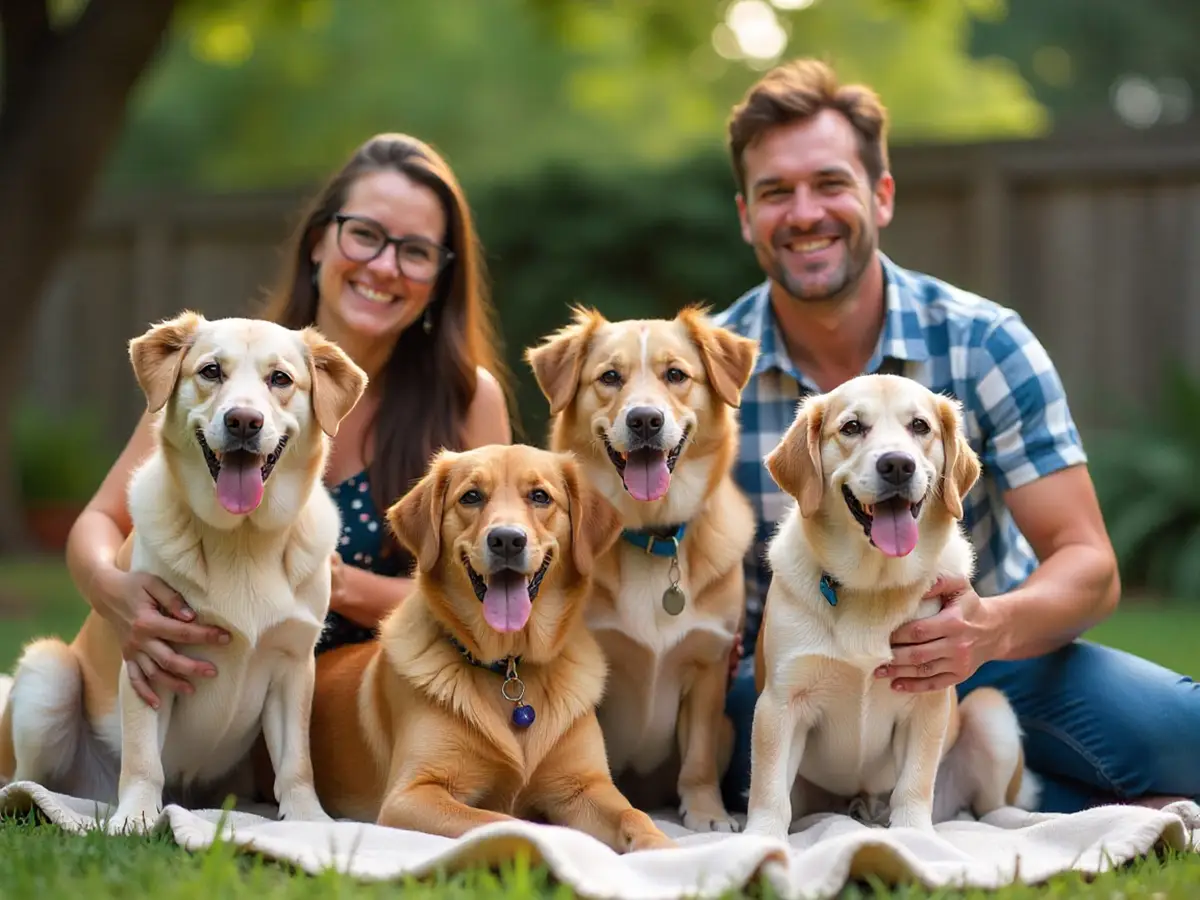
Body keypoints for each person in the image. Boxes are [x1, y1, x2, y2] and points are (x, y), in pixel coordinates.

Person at [711, 58, 1200, 815]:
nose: (805, 213)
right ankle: (1066, 802)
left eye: (831, 183)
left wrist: (991, 627)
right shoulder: (706, 373)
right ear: (747, 215)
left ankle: (1007, 788)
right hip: (791, 663)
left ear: (881, 194)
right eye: (777, 192)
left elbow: (1090, 563)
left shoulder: (985, 342)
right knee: (716, 739)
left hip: (976, 652)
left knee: (1185, 732)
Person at [65, 132, 513, 709]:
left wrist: (340, 585)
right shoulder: (226, 377)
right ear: (319, 241)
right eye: (365, 234)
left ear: (440, 279)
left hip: (380, 710)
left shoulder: (467, 399)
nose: (384, 266)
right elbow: (100, 520)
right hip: (215, 708)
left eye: (416, 251)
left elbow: (490, 596)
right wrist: (113, 591)